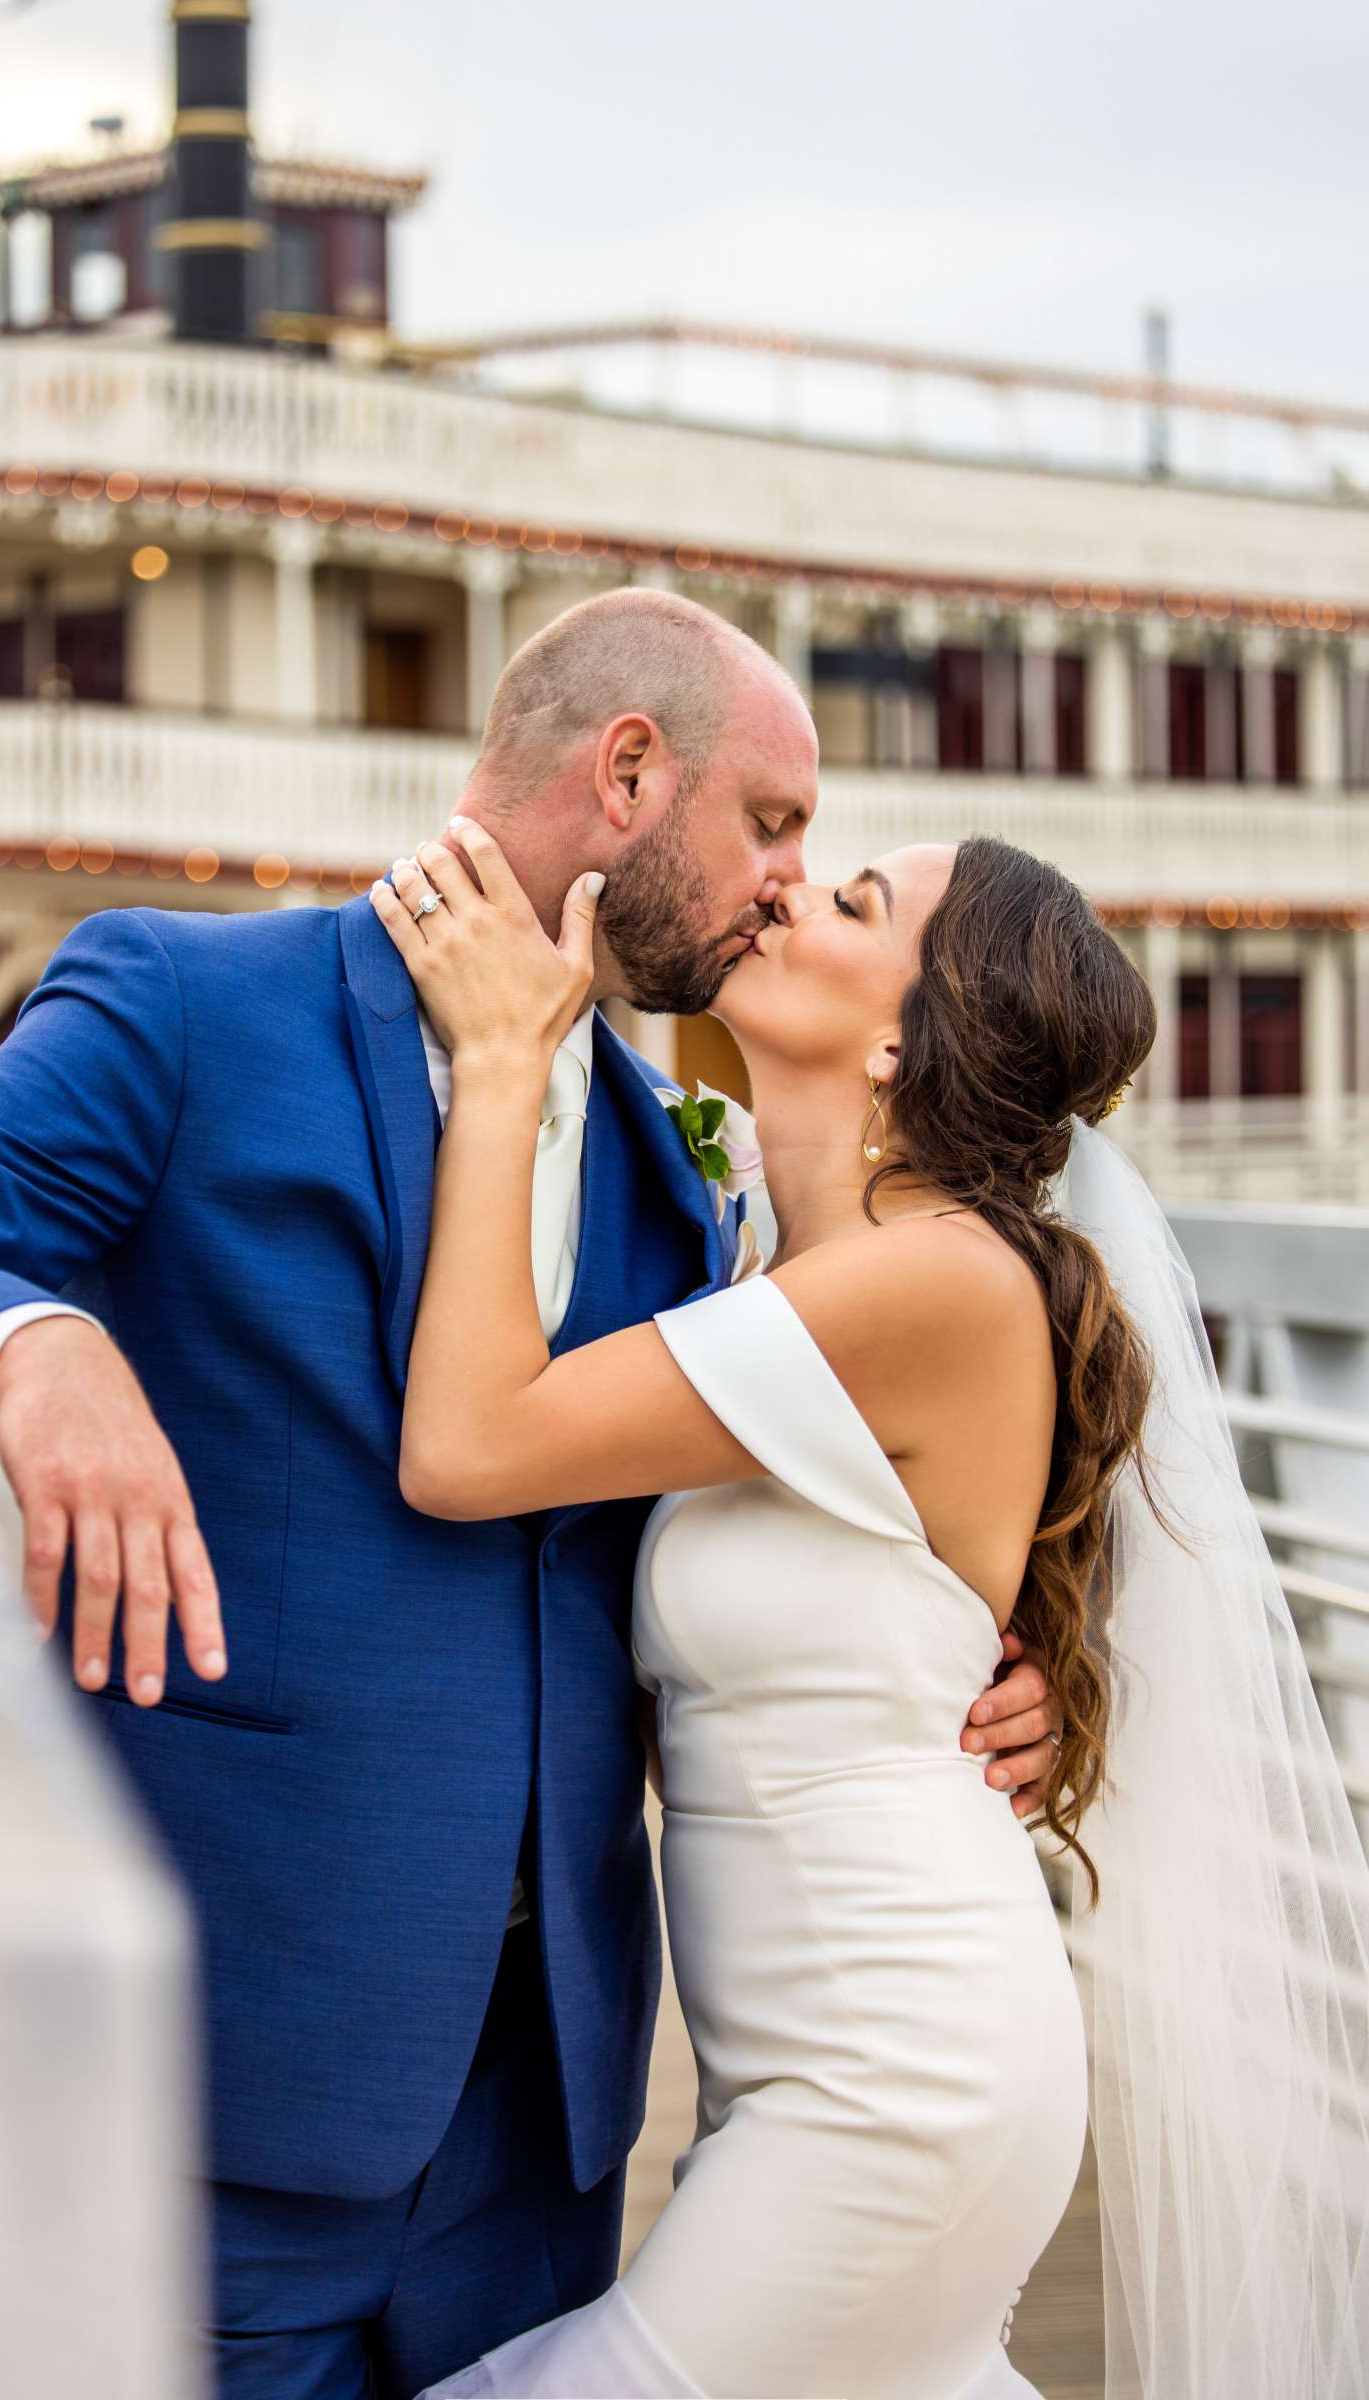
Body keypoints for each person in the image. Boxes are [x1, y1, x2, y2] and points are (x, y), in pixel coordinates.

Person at [0, 592, 1065, 2400]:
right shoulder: (191, 1006)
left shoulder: (678, 1179)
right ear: (628, 772)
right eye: (772, 823)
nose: (789, 878)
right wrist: (36, 1344)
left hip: (548, 2127)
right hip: (240, 2085)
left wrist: (993, 1669)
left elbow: (834, 1493)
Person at [374, 820, 1369, 2400]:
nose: (784, 887)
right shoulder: (782, 1261)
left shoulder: (938, 1283)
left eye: (850, 900)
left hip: (897, 2076)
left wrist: (504, 1057)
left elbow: (468, 1444)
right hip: (832, 2061)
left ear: (912, 1030)